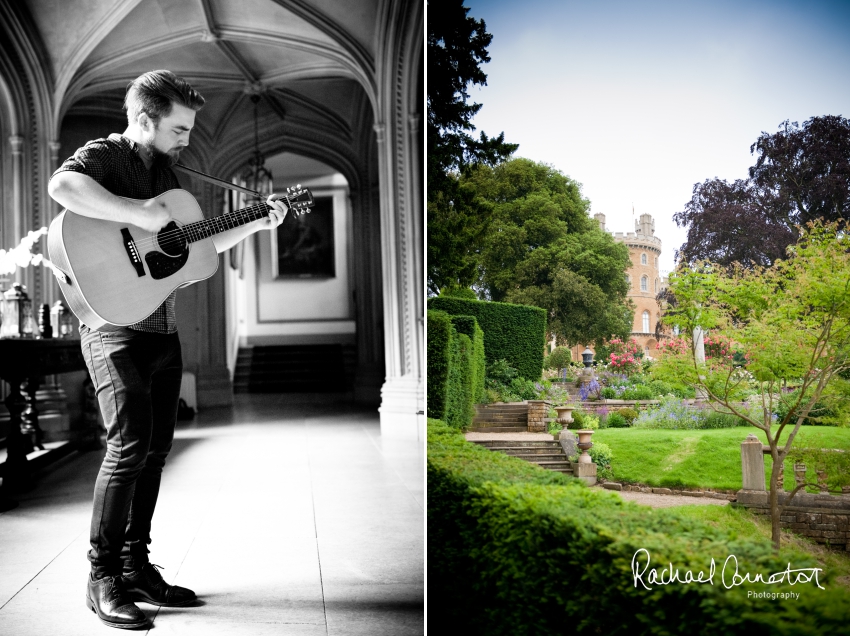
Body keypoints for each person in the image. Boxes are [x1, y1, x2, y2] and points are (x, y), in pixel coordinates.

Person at [47, 70, 289, 630]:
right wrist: (136, 213)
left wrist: (256, 223)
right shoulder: (108, 154)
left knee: (155, 453)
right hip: (111, 328)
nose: (185, 139)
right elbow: (64, 187)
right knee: (128, 448)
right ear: (142, 119)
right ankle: (101, 577)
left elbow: (195, 249)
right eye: (178, 129)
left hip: (162, 330)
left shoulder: (169, 174)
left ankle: (135, 567)